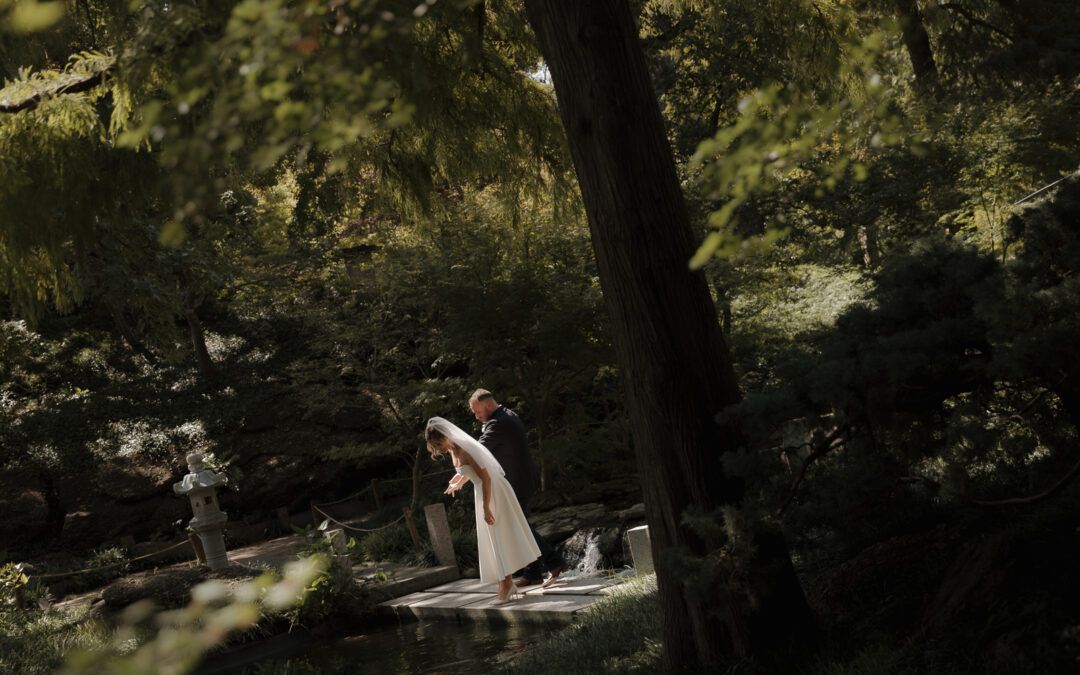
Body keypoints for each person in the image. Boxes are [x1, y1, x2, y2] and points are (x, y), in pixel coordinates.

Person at [426, 416, 540, 605]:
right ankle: (505, 585)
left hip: (493, 491)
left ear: (445, 436)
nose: (438, 449)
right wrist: (458, 481)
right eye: (435, 446)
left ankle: (506, 586)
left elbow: (485, 477)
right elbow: (467, 471)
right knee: (494, 538)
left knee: (499, 535)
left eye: (438, 444)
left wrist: (487, 507)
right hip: (482, 490)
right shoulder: (454, 450)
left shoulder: (465, 448)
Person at [469, 389, 567, 588]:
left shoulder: (498, 423)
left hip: (518, 482)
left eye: (477, 411)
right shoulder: (508, 414)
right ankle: (533, 574)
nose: (476, 415)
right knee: (520, 526)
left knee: (520, 528)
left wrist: (458, 451)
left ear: (488, 405)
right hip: (523, 479)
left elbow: (478, 450)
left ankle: (554, 562)